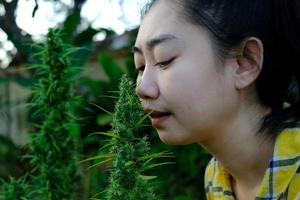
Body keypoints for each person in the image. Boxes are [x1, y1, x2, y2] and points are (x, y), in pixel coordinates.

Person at [132, 0, 300, 199]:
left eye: (164, 60)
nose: (142, 88)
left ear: (244, 62)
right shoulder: (216, 179)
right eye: (141, 67)